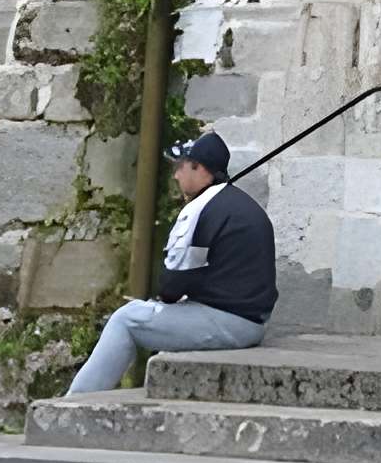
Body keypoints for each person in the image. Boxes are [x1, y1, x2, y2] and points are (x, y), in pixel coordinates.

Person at [65, 131, 278, 395]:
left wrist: (160, 302)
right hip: (251, 322)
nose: (176, 175)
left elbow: (173, 283)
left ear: (200, 168)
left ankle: (73, 402)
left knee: (126, 319)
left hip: (231, 324)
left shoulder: (199, 209)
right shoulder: (242, 204)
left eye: (180, 167)